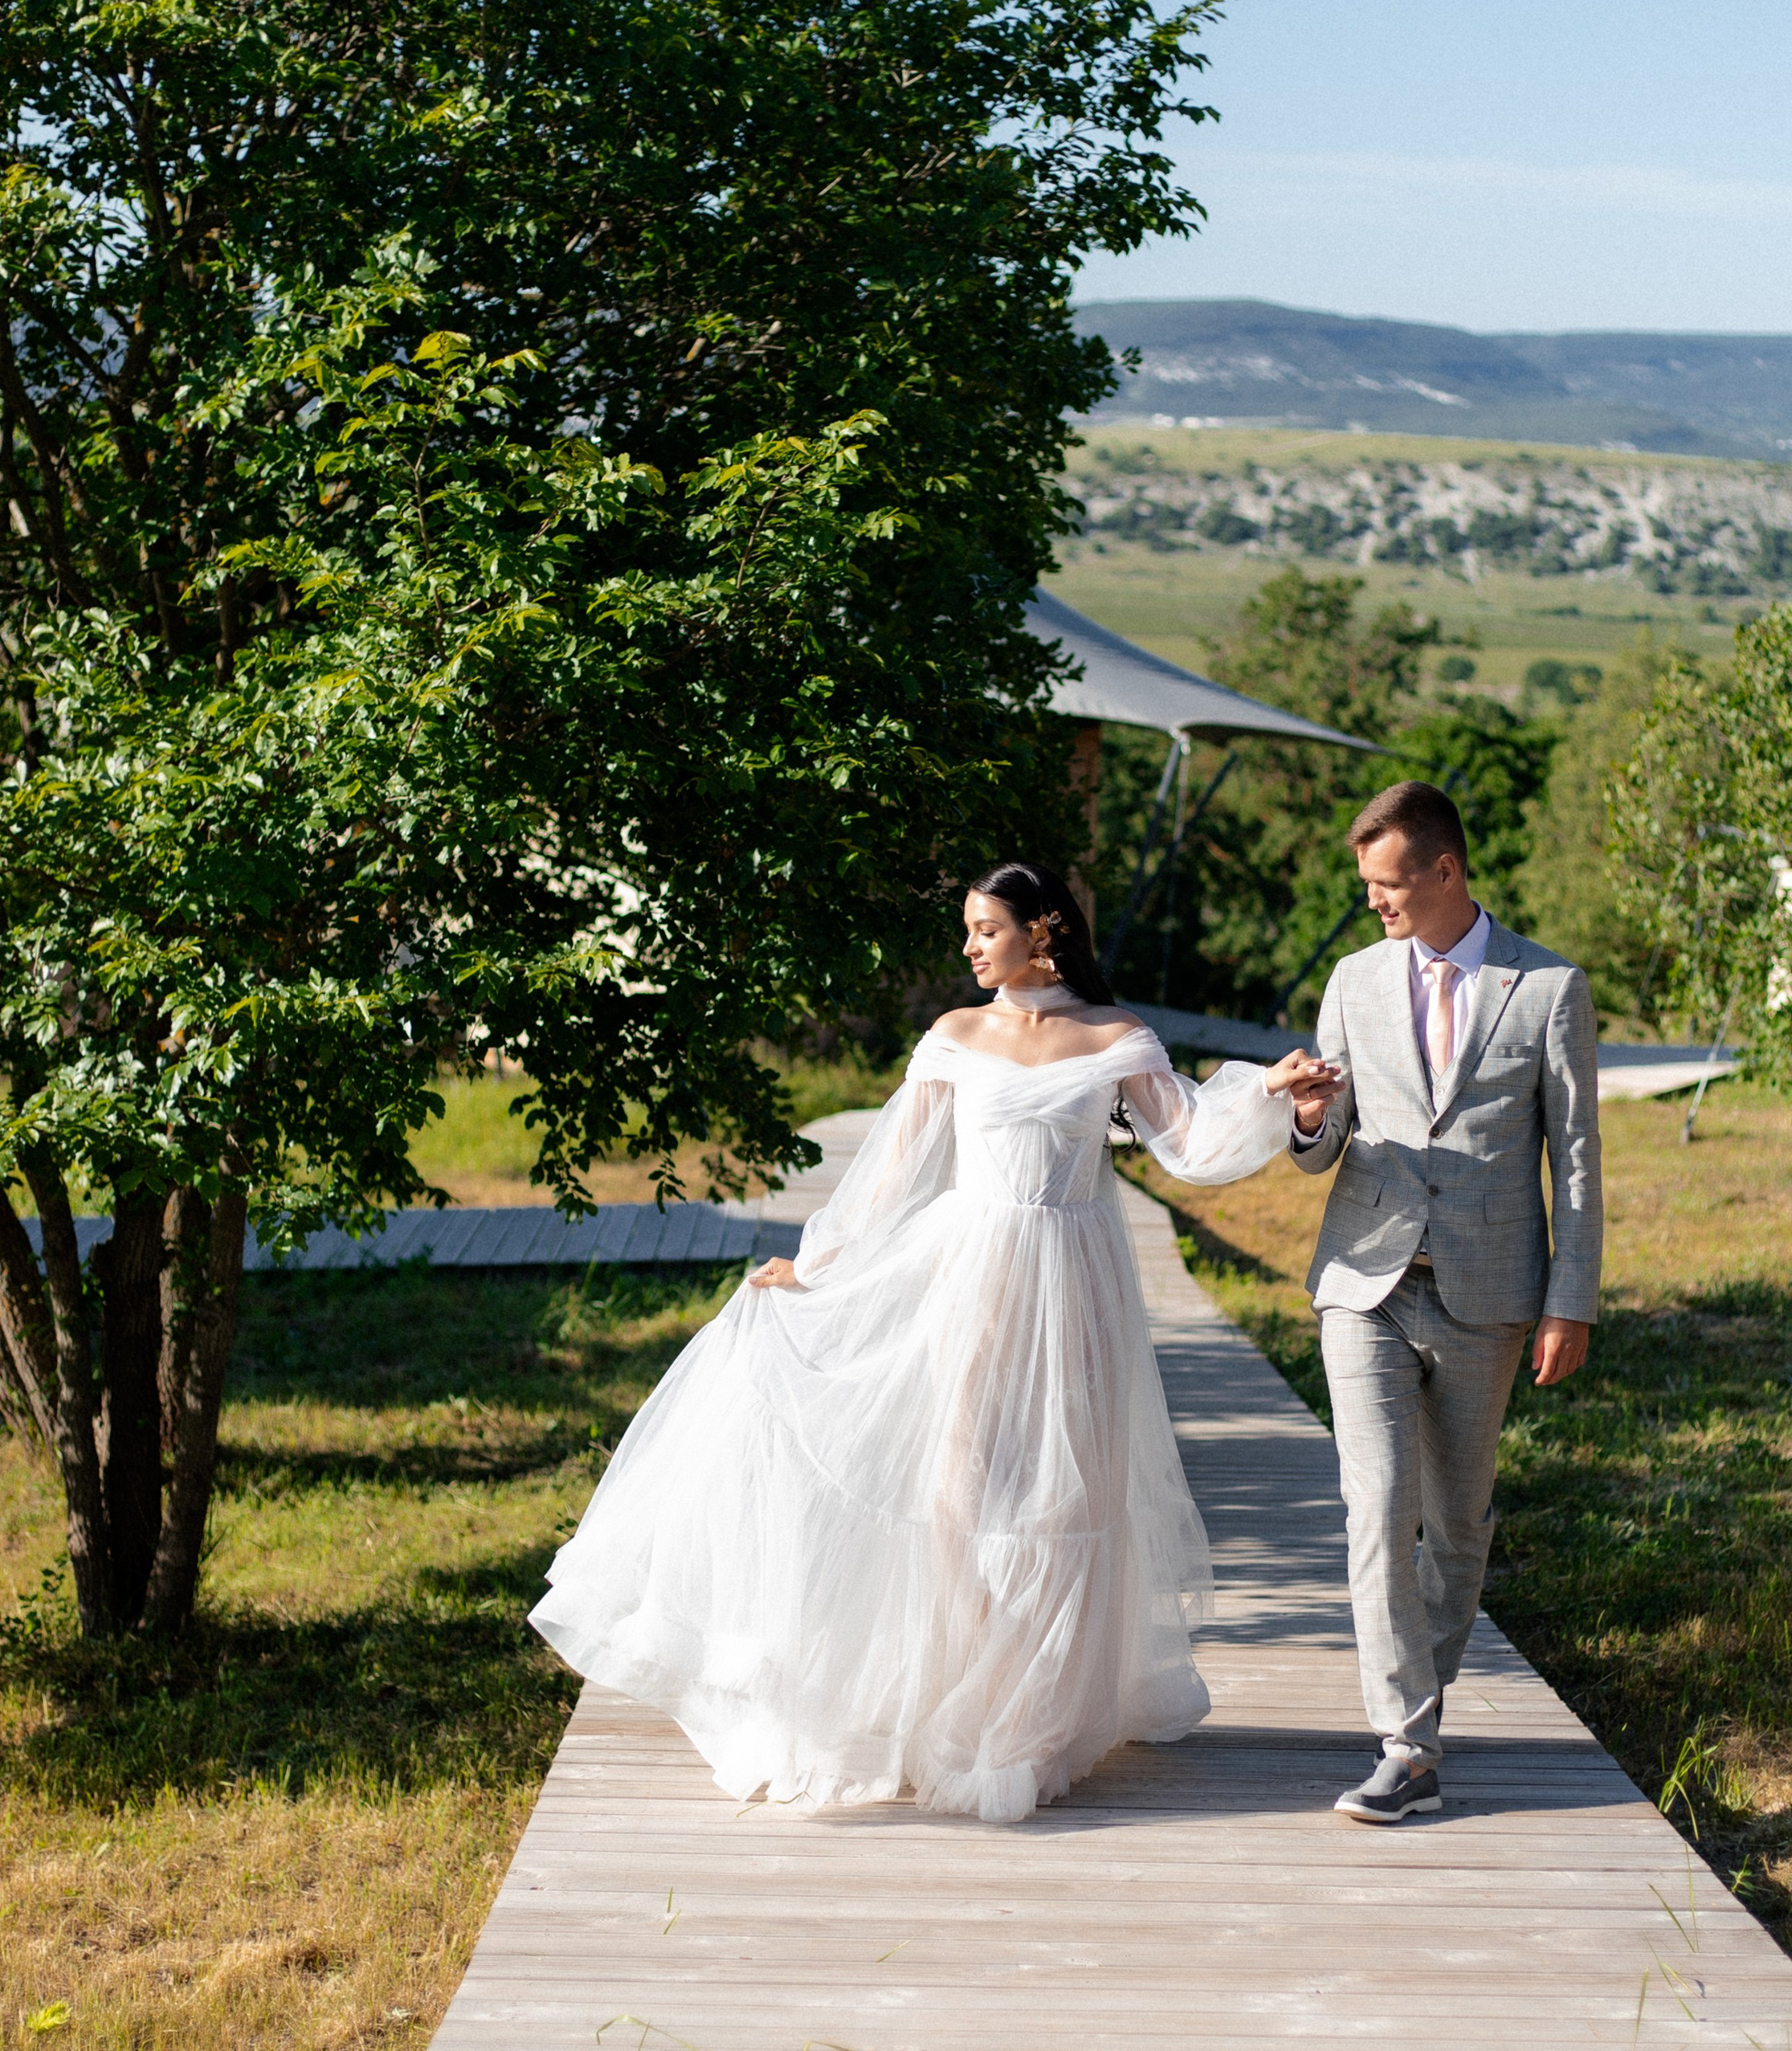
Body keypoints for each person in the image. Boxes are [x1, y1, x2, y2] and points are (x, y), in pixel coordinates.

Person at [530, 863, 1340, 1823]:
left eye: (986, 929)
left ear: (1042, 932)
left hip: (1074, 1283)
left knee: (1067, 1494)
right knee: (959, 1490)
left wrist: (1272, 1096)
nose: (970, 947)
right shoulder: (955, 1035)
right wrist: (817, 1264)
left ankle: (1030, 1719)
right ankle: (955, 1697)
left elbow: (1192, 1143)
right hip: (972, 1276)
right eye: (968, 929)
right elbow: (891, 1172)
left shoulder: (1116, 1037)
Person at [1285, 780, 1602, 1825]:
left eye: (1386, 883)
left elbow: (1576, 1162)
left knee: (1458, 1524)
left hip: (1490, 1292)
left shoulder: (1548, 988)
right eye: (1367, 885)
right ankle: (1407, 1747)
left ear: (1444, 871)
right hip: (1365, 1283)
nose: (1373, 901)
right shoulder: (1352, 980)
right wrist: (1309, 1119)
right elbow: (1323, 1148)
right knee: (1378, 1505)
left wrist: (1570, 1302)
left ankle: (1414, 1713)